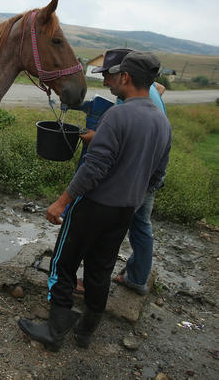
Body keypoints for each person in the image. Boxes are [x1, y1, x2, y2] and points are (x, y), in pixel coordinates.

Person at [18, 51, 171, 351]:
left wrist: (62, 202)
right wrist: (132, 199)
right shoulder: (162, 123)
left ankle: (54, 330)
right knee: (100, 270)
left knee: (62, 265)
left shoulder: (118, 115)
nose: (109, 81)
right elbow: (158, 176)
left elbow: (94, 168)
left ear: (126, 77)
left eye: (114, 76)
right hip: (125, 211)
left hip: (93, 207)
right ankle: (86, 332)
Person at [72, 48, 168, 296]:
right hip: (146, 176)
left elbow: (100, 163)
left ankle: (91, 284)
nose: (105, 82)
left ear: (124, 76)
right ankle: (137, 277)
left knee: (106, 236)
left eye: (108, 76)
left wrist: (97, 137)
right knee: (139, 227)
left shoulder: (128, 105)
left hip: (134, 179)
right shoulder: (148, 93)